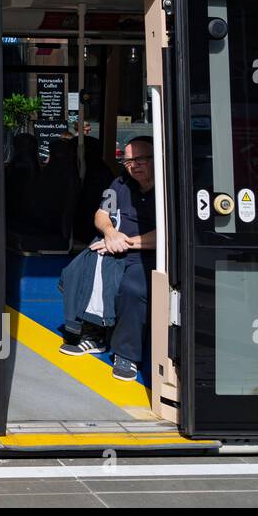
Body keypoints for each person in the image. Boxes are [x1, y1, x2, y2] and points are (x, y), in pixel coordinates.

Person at [61, 136, 156, 382]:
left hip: (148, 253)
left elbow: (169, 233)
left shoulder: (169, 190)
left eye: (140, 159)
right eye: (127, 161)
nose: (133, 165)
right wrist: (110, 233)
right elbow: (101, 214)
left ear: (158, 158)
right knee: (80, 268)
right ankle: (94, 334)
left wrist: (125, 242)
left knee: (133, 288)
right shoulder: (120, 184)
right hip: (115, 245)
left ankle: (126, 354)